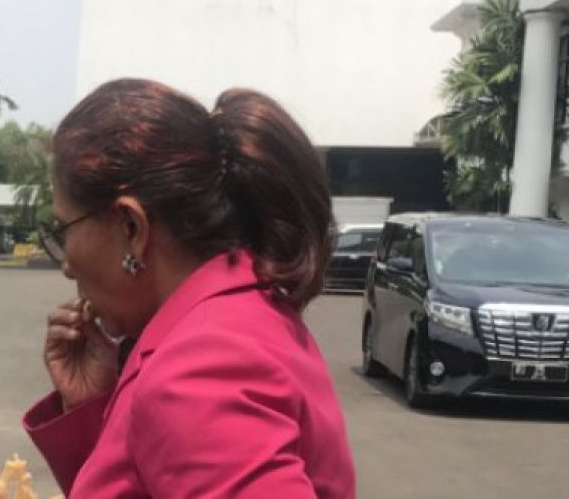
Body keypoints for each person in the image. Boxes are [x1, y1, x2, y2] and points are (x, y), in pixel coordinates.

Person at [24, 79, 355, 498]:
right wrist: (94, 408)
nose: (68, 265)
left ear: (132, 228)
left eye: (63, 229)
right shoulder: (238, 312)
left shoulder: (200, 370)